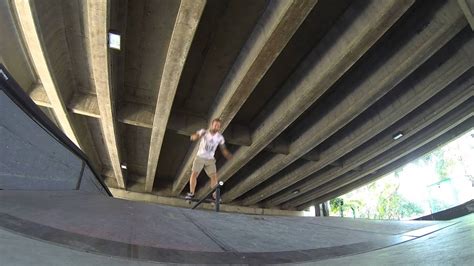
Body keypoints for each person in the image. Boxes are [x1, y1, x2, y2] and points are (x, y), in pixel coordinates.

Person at [185, 118, 232, 201]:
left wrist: (227, 154)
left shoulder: (220, 137)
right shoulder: (204, 131)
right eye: (215, 125)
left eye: (218, 126)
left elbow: (223, 148)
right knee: (194, 174)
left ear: (219, 127)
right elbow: (193, 137)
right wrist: (199, 135)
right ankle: (191, 193)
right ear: (212, 125)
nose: (216, 127)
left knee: (214, 176)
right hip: (200, 157)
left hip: (210, 159)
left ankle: (215, 195)